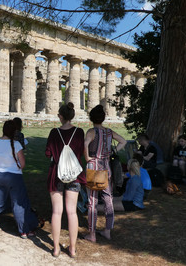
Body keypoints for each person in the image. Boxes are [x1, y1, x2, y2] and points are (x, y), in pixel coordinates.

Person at [0, 120, 38, 238]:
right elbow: (22, 164)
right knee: (18, 203)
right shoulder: (17, 144)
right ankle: (24, 230)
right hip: (14, 176)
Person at [45, 102, 85, 258]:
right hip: (74, 175)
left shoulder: (54, 132)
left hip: (56, 174)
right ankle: (73, 248)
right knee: (72, 212)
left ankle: (55, 248)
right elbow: (81, 151)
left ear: (60, 117)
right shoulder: (79, 132)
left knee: (56, 212)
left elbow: (48, 153)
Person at [84, 105, 126, 243]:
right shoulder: (109, 132)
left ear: (91, 118)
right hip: (106, 167)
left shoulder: (91, 131)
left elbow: (85, 144)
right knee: (108, 198)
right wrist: (113, 152)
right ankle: (107, 230)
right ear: (103, 118)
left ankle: (92, 233)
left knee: (92, 201)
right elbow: (123, 141)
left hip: (93, 167)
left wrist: (87, 157)